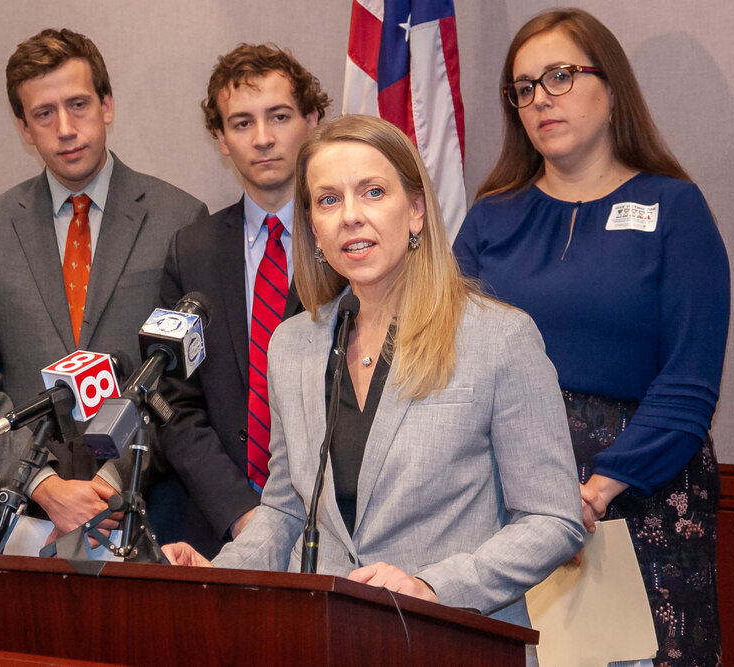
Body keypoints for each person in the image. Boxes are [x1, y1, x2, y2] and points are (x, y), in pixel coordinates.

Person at [164, 115, 584, 631]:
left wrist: (434, 587)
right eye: (328, 200)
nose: (351, 217)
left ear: (415, 211)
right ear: (313, 228)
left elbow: (553, 519)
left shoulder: (498, 337)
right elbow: (284, 511)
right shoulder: (291, 345)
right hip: (323, 640)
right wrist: (216, 575)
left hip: (453, 639)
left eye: (373, 192)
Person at [452, 9, 729, 665]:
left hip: (642, 498)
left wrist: (588, 494)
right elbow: (448, 366)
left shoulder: (675, 208)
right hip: (504, 503)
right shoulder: (491, 218)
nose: (540, 97)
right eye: (523, 88)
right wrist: (535, 506)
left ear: (612, 87)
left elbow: (689, 384)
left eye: (560, 75)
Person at [0, 29, 208, 537]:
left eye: (79, 104)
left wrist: (113, 480)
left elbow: (184, 383)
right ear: (24, 128)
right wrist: (41, 483)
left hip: (143, 504)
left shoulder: (179, 217)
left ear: (107, 105)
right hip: (26, 513)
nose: (65, 128)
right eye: (44, 114)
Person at [149, 44, 329, 557]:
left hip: (333, 526)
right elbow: (173, 403)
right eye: (242, 123)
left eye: (279, 116)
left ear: (311, 121)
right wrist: (241, 513)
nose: (264, 138)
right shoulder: (192, 249)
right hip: (219, 526)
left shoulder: (346, 241)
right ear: (221, 139)